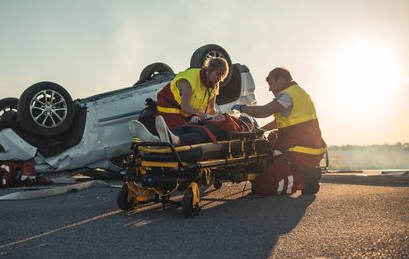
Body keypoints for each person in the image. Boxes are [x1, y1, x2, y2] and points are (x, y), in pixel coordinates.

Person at [231, 67, 327, 195]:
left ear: (281, 79)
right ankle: (303, 172)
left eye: (271, 83)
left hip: (300, 153)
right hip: (309, 149)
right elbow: (280, 122)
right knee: (272, 137)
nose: (270, 88)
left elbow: (263, 111)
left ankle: (305, 180)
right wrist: (261, 130)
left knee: (261, 187)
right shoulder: (299, 93)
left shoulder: (287, 95)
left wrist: (242, 107)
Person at [156, 57, 229, 129]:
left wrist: (221, 116)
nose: (219, 78)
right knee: (187, 129)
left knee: (201, 127)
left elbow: (211, 110)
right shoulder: (190, 79)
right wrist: (202, 115)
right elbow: (185, 106)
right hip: (168, 109)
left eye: (222, 75)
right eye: (217, 74)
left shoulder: (214, 84)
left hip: (187, 114)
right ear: (209, 70)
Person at [129, 113, 254, 146]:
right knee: (182, 128)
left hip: (212, 130)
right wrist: (197, 117)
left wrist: (225, 118)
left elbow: (235, 129)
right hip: (203, 124)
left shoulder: (242, 126)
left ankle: (174, 141)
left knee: (199, 133)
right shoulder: (231, 117)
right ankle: (155, 140)